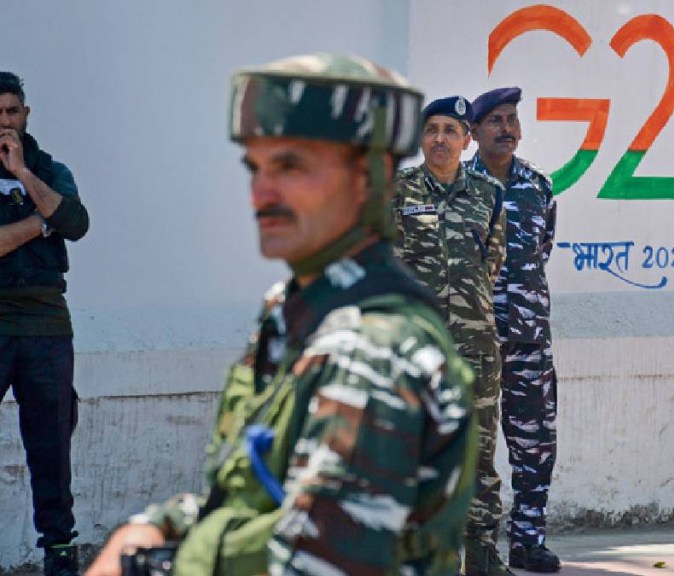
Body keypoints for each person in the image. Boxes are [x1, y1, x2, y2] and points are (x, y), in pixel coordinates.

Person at [86, 53, 477, 575]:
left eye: (290, 166)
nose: (261, 192)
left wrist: (153, 566)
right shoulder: (296, 308)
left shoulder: (375, 348)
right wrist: (157, 527)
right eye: (256, 167)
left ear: (370, 176)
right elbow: (257, 493)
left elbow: (319, 559)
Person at [392, 96, 508, 576]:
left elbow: (492, 265)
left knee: (478, 454)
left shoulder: (488, 195)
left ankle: (481, 554)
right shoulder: (396, 192)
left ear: (466, 139)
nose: (439, 138)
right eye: (432, 129)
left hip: (475, 348)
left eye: (450, 130)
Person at [0, 71, 90, 576]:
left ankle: (59, 553)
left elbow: (76, 223)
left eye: (12, 111)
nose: (4, 122)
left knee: (52, 446)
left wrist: (22, 172)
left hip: (47, 326)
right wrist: (41, 223)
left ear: (26, 115)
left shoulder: (52, 170)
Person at [468, 87, 560, 573]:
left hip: (528, 336)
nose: (507, 129)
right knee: (474, 445)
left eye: (512, 120)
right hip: (476, 338)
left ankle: (528, 541)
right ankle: (478, 545)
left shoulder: (538, 187)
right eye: (496, 121)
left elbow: (542, 249)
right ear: (474, 132)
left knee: (535, 442)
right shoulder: (459, 187)